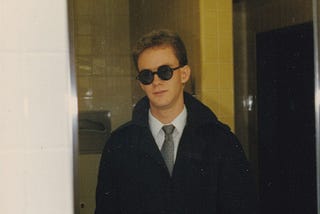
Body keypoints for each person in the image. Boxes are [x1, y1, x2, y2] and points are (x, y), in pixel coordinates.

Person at [95, 29, 258, 214]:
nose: (156, 82)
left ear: (184, 74)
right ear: (140, 83)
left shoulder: (222, 142)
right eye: (147, 75)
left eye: (165, 72)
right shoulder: (119, 146)